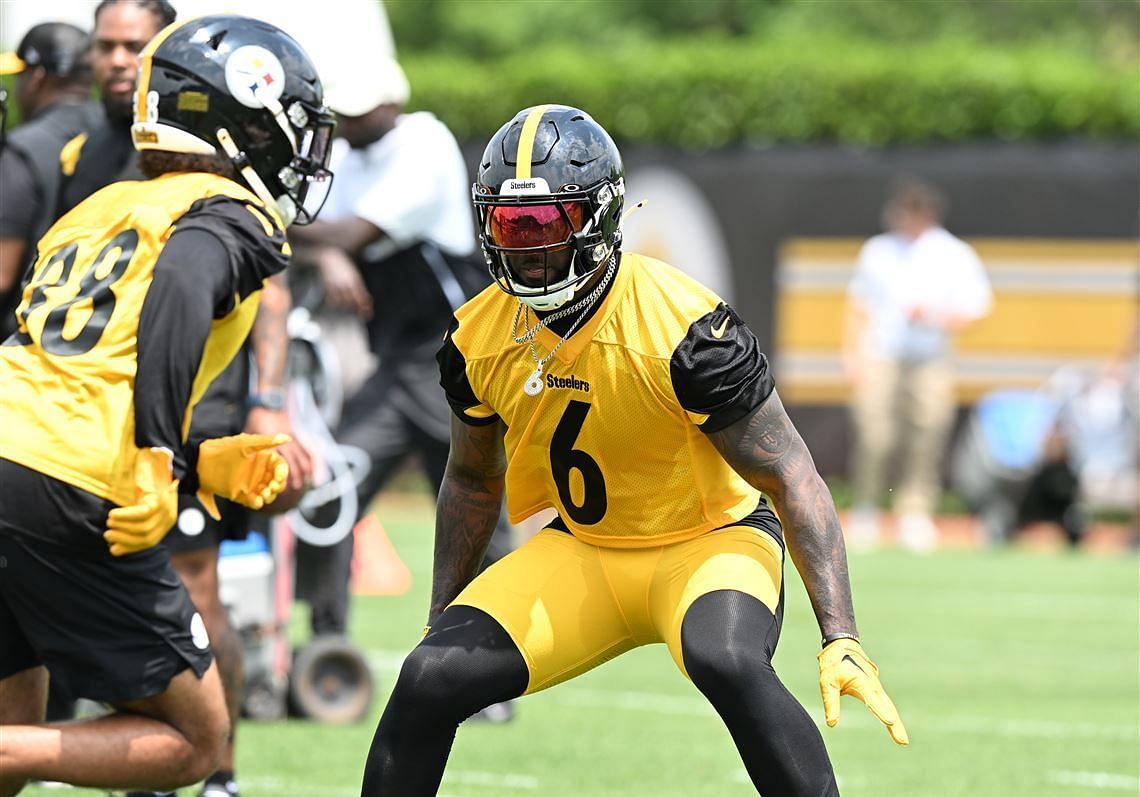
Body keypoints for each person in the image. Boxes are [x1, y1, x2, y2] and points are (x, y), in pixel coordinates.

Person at [359, 105, 907, 797]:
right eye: (507, 224)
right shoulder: (476, 336)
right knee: (427, 676)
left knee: (728, 658)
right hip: (587, 548)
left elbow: (793, 474)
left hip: (708, 541)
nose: (525, 246)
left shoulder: (686, 328)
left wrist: (841, 634)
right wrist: (441, 618)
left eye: (544, 224)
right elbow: (471, 481)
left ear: (597, 217)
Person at [0, 14, 334, 796]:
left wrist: (194, 460)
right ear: (242, 120)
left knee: (19, 701)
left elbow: (70, 363)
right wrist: (156, 450)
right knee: (194, 738)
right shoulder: (229, 211)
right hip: (71, 480)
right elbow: (181, 288)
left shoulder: (102, 206)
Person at [289, 58, 516, 682]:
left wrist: (333, 252)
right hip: (396, 367)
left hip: (457, 361)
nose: (350, 119)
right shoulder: (348, 153)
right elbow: (292, 229)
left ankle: (493, 666)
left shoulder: (424, 144)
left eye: (361, 108)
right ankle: (325, 653)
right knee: (330, 488)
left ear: (392, 103)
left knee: (481, 506)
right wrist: (327, 254)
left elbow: (344, 233)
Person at [842, 177, 992, 551]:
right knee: (875, 433)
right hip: (881, 354)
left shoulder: (954, 254)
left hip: (930, 359)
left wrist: (935, 316)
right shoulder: (877, 251)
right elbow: (857, 306)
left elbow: (975, 310)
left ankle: (915, 511)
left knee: (926, 434)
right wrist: (851, 355)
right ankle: (866, 507)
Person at [0, 21, 100, 340]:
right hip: (101, 337)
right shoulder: (121, 138)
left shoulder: (23, 148)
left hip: (27, 348)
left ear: (37, 77)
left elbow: (2, 275)